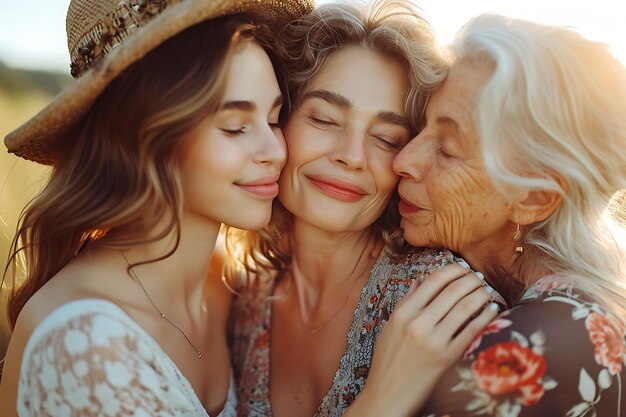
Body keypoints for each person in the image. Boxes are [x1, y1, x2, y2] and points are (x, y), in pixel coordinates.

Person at [0, 0, 313, 415]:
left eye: (274, 120)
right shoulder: (85, 343)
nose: (275, 151)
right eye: (235, 127)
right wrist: (387, 396)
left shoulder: (227, 281)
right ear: (145, 139)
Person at [225, 2, 502, 417]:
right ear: (276, 121)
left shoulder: (440, 303)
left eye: (387, 138)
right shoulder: (247, 298)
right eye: (324, 119)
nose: (352, 157)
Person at [392, 14, 626, 416]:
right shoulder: (576, 310)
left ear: (534, 198)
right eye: (421, 129)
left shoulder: (529, 349)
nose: (403, 159)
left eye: (446, 149)